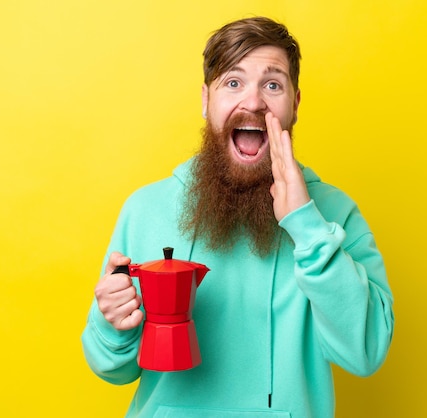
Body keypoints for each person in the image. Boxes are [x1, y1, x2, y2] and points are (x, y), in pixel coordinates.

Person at [82, 16, 394, 418]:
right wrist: (114, 323)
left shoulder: (334, 214)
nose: (253, 102)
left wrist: (306, 223)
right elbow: (111, 369)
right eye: (233, 82)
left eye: (272, 84)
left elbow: (366, 351)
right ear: (205, 100)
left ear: (294, 105)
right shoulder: (145, 208)